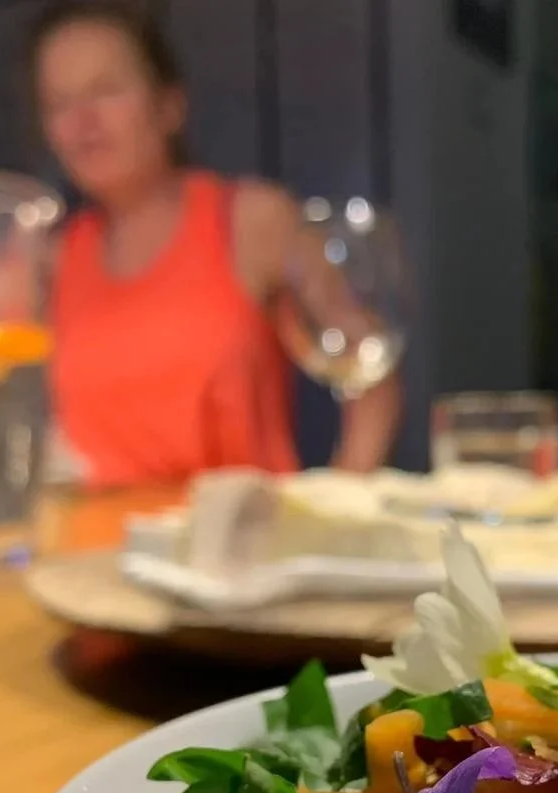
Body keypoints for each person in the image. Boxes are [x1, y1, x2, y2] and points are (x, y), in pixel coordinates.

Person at [32, 1, 400, 487]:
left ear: (169, 105)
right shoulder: (47, 258)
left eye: (106, 90)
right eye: (60, 103)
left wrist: (342, 504)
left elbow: (371, 378)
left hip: (238, 551)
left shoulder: (253, 220)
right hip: (92, 552)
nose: (83, 121)